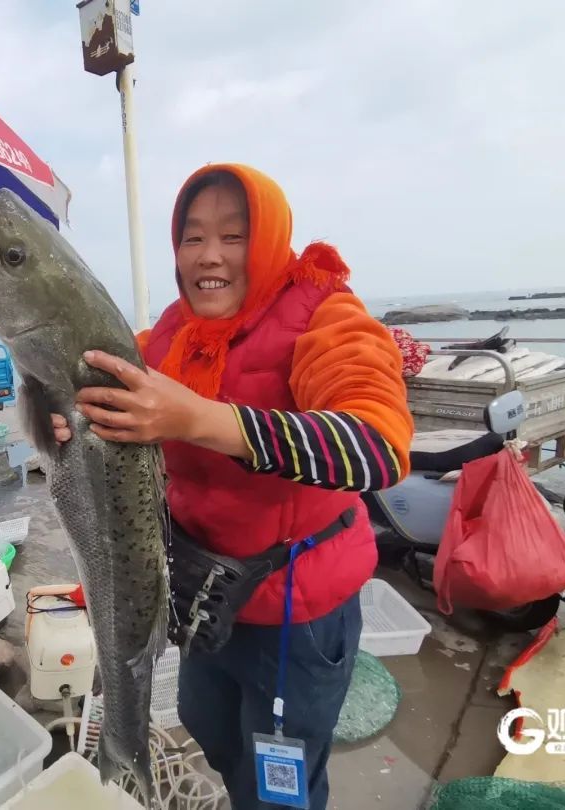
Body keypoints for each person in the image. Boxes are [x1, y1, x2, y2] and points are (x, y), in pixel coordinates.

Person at [52, 165, 413, 809]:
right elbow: (104, 391)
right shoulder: (167, 335)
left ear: (269, 239)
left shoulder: (325, 315)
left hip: (297, 615)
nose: (210, 256)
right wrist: (68, 416)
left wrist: (196, 417)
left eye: (234, 235)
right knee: (207, 723)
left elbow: (377, 447)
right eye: (192, 238)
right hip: (206, 601)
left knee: (283, 779)